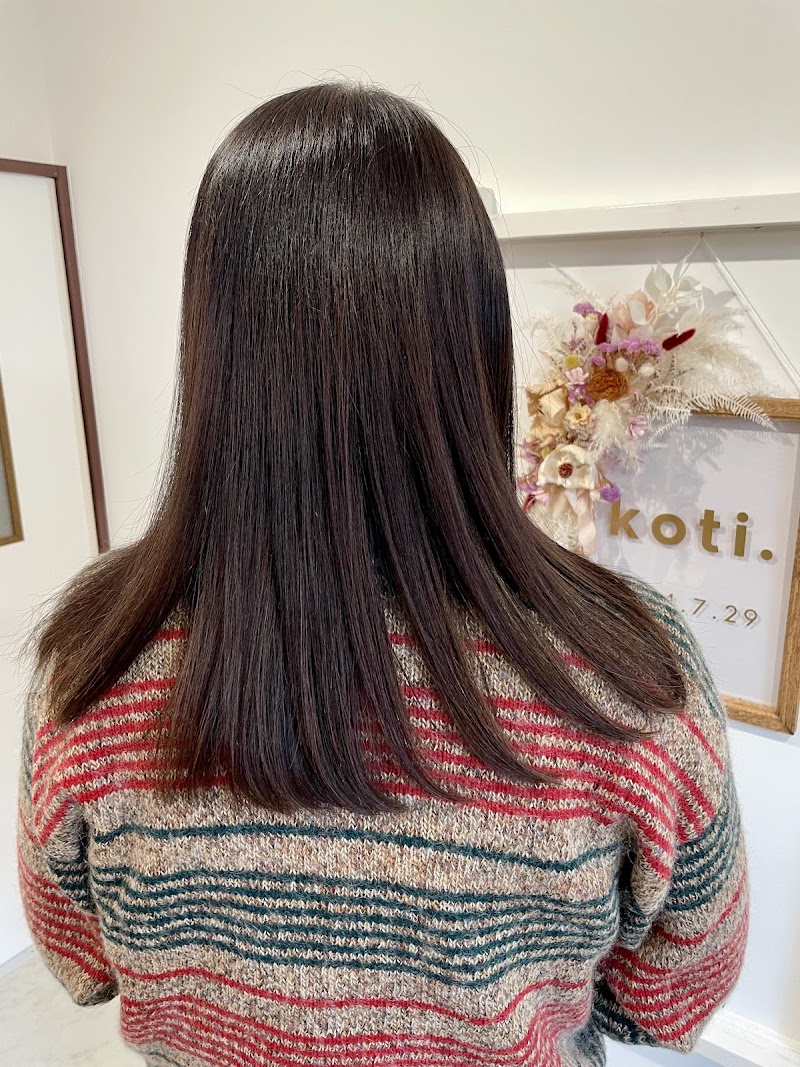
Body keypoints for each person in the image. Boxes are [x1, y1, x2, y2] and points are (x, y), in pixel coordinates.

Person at [18, 83, 747, 1067]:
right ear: (474, 339)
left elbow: (79, 955)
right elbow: (669, 997)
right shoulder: (627, 671)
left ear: (214, 340)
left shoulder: (96, 655)